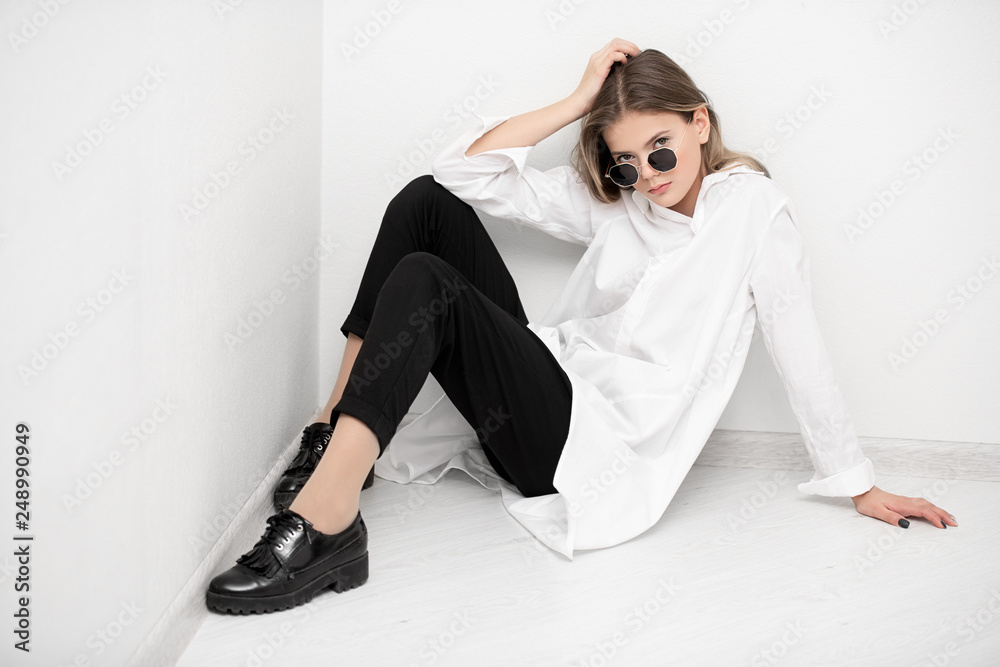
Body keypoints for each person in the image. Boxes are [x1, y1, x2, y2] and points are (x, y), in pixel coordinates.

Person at [206, 38, 957, 615]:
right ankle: (332, 437)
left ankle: (328, 521)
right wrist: (578, 101)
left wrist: (857, 483)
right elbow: (462, 172)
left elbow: (801, 349)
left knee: (427, 280)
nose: (648, 174)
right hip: (543, 391)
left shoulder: (754, 214)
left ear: (699, 123)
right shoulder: (617, 202)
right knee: (424, 202)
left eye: (659, 147)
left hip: (586, 449)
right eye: (626, 161)